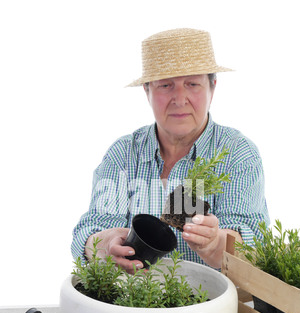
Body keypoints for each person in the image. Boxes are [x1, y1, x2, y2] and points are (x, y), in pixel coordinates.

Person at [71, 28, 270, 273]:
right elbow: (90, 230)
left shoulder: (237, 153)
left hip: (208, 304)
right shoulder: (123, 154)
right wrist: (103, 245)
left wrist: (215, 243)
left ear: (212, 87)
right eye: (165, 85)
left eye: (192, 84)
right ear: (147, 90)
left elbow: (254, 245)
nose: (179, 98)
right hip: (129, 304)